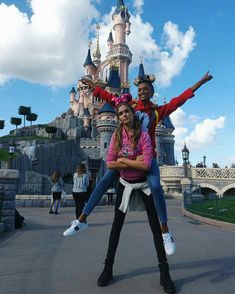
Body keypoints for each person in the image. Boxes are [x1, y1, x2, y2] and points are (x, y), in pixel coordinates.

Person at [63, 70, 213, 256]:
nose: (141, 92)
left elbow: (180, 99)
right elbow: (108, 97)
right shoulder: (130, 105)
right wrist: (91, 85)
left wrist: (200, 81)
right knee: (103, 183)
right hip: (127, 156)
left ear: (151, 91)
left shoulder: (157, 112)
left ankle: (165, 232)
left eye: (145, 89)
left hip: (146, 158)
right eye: (139, 89)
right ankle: (82, 220)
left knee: (157, 186)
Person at [95, 102, 175, 292]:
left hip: (144, 183)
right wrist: (128, 161)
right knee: (116, 227)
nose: (123, 115)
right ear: (118, 117)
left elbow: (147, 165)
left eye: (126, 112)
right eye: (120, 113)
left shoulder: (144, 135)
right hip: (125, 183)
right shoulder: (116, 136)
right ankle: (108, 268)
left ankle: (165, 273)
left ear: (133, 114)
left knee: (155, 226)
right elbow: (110, 163)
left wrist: (122, 161)